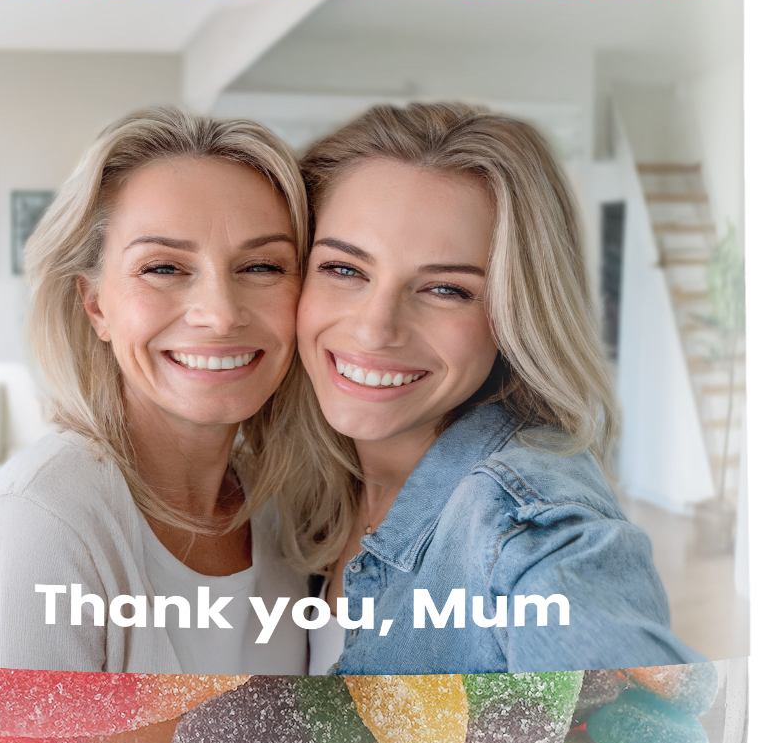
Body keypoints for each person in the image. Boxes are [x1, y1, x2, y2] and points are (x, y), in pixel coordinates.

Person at [281, 102, 703, 675]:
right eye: (344, 269)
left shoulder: (528, 527)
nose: (375, 328)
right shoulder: (294, 486)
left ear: (514, 316)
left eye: (447, 289)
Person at [0, 107, 311, 672]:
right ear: (95, 304)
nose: (219, 314)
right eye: (163, 268)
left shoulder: (281, 510)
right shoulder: (43, 519)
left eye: (263, 266)